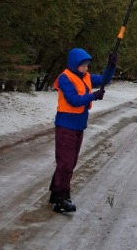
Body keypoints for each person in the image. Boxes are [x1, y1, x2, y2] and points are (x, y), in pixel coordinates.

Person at [49, 47, 117, 214]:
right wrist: (93, 96)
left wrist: (111, 65)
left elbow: (104, 80)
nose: (86, 68)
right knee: (65, 163)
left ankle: (56, 192)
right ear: (74, 64)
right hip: (65, 126)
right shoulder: (65, 78)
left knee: (69, 163)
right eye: (83, 65)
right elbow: (73, 100)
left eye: (87, 65)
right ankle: (61, 199)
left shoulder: (85, 77)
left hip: (79, 126)